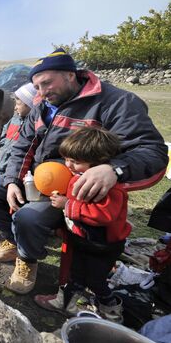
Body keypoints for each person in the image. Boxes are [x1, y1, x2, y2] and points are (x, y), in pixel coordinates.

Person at [0, 48, 168, 295]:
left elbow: (153, 151)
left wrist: (113, 169)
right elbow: (23, 145)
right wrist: (11, 182)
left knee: (27, 218)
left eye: (47, 83)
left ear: (71, 75)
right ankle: (15, 240)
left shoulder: (115, 102)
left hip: (76, 192)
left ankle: (27, 258)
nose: (41, 93)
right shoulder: (41, 106)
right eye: (37, 87)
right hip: (38, 180)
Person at [34, 127, 129, 323]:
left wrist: (67, 205)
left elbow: (103, 215)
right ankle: (65, 303)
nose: (68, 164)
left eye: (75, 161)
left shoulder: (110, 188)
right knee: (76, 274)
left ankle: (111, 310)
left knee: (95, 280)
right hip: (84, 240)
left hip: (103, 246)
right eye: (66, 159)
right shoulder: (78, 176)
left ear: (99, 160)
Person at [0, 83, 37, 175]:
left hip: (13, 172)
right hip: (0, 167)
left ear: (29, 104)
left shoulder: (33, 126)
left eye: (18, 104)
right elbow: (2, 141)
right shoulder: (14, 120)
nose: (15, 108)